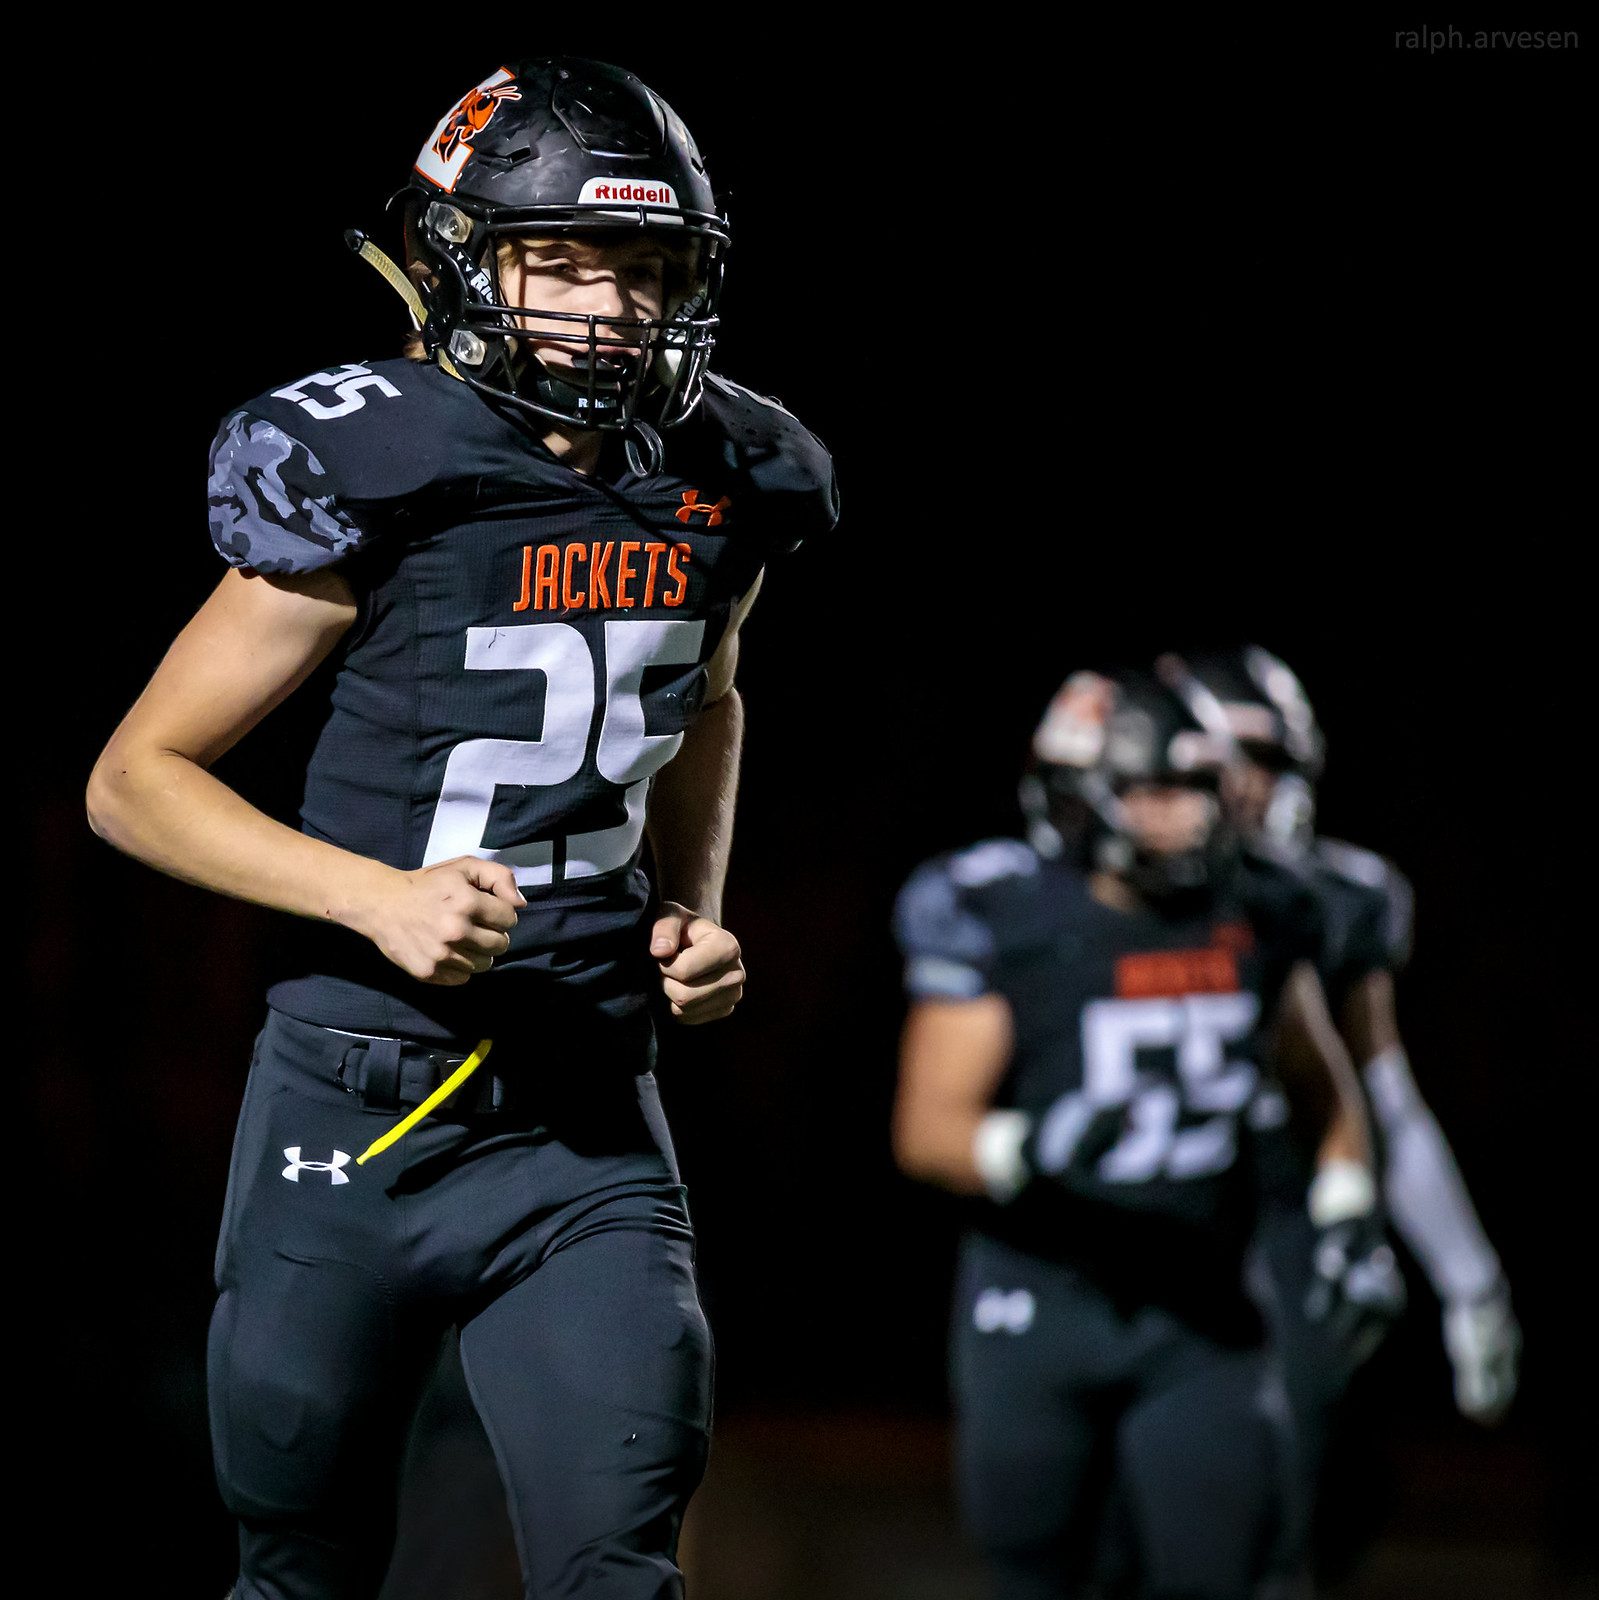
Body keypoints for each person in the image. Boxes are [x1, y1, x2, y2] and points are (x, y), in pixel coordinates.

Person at [86, 57, 837, 1600]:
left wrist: (687, 908)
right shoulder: (378, 462)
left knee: (618, 1560)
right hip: (357, 1094)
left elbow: (708, 699)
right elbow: (134, 780)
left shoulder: (733, 473)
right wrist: (374, 896)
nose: (610, 308)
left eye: (646, 269)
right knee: (300, 1568)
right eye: (560, 260)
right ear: (456, 261)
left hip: (581, 1102)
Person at [891, 668, 1399, 1600]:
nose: (1184, 818)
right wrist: (1030, 1149)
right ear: (1083, 800)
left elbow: (1325, 1092)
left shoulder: (1261, 909)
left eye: (1198, 790)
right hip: (1042, 1295)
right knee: (1042, 1573)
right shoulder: (1014, 917)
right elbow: (927, 1130)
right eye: (1152, 792)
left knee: (1227, 1568)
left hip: (1200, 1309)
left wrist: (1348, 1217)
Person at [1166, 647, 1519, 1552]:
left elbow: (1383, 1096)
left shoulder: (1336, 896)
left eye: (1278, 761)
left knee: (1282, 1504)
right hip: (1151, 1214)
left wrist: (1467, 1278)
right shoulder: (1100, 892)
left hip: (1287, 1216)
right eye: (1241, 755)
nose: (1258, 786)